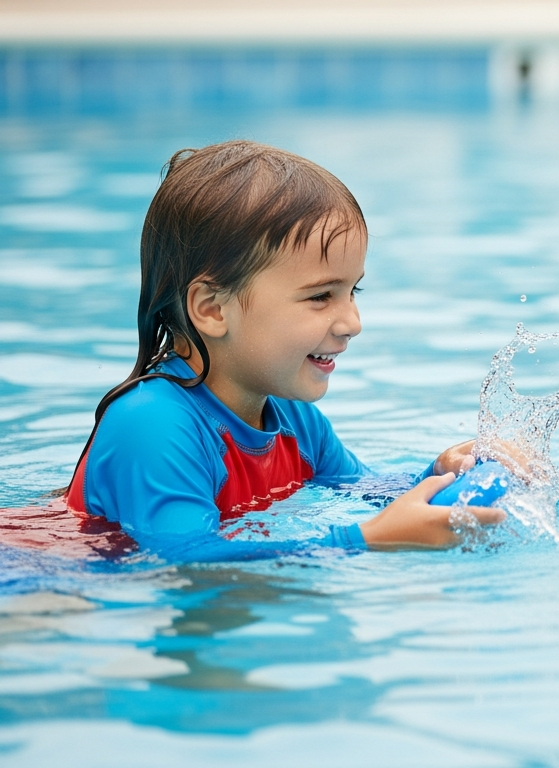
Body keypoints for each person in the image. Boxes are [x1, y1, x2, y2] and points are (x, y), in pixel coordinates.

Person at [63, 140, 504, 561]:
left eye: (353, 291)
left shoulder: (295, 421)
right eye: (321, 296)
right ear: (212, 309)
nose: (353, 323)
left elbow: (365, 490)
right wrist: (363, 541)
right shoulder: (152, 423)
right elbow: (185, 561)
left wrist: (441, 473)